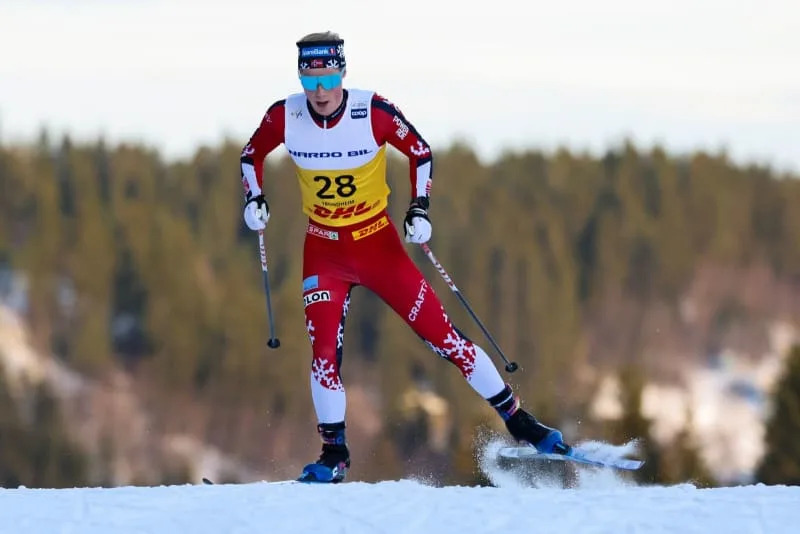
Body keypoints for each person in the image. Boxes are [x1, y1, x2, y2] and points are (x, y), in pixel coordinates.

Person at [239, 31, 569, 483]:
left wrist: (419, 207)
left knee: (444, 337)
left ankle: (521, 422)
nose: (318, 91)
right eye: (309, 79)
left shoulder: (372, 111)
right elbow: (250, 155)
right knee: (322, 355)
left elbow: (420, 151)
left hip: (378, 246)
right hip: (324, 251)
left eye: (327, 77)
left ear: (342, 73)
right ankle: (333, 453)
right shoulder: (285, 115)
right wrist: (254, 198)